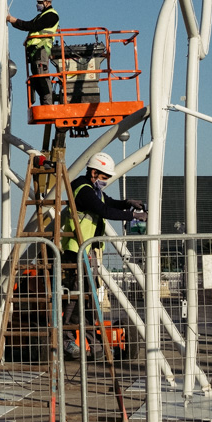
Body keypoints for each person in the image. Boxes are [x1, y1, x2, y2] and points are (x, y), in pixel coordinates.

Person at [59, 152, 145, 359]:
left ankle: (88, 338)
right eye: (104, 177)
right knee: (76, 293)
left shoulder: (92, 190)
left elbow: (109, 203)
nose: (105, 181)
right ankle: (65, 336)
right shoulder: (83, 190)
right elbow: (104, 210)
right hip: (75, 249)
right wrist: (133, 215)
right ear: (94, 172)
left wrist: (127, 203)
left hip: (87, 250)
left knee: (87, 295)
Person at [6, 0, 59, 106]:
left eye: (39, 2)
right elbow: (29, 25)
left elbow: (32, 26)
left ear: (46, 2)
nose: (38, 5)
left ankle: (48, 105)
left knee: (42, 77)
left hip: (41, 50)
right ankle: (44, 104)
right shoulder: (42, 15)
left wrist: (14, 20)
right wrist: (14, 22)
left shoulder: (51, 15)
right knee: (36, 78)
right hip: (35, 51)